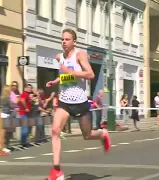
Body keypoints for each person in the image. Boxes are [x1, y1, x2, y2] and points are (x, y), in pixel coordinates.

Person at [45, 29, 111, 180]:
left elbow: (91, 75)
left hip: (80, 101)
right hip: (64, 101)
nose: (64, 42)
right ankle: (57, 171)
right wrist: (56, 81)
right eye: (62, 39)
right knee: (55, 131)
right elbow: (66, 76)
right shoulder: (59, 57)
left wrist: (72, 72)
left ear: (74, 42)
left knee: (87, 135)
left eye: (67, 39)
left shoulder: (80, 55)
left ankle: (102, 134)